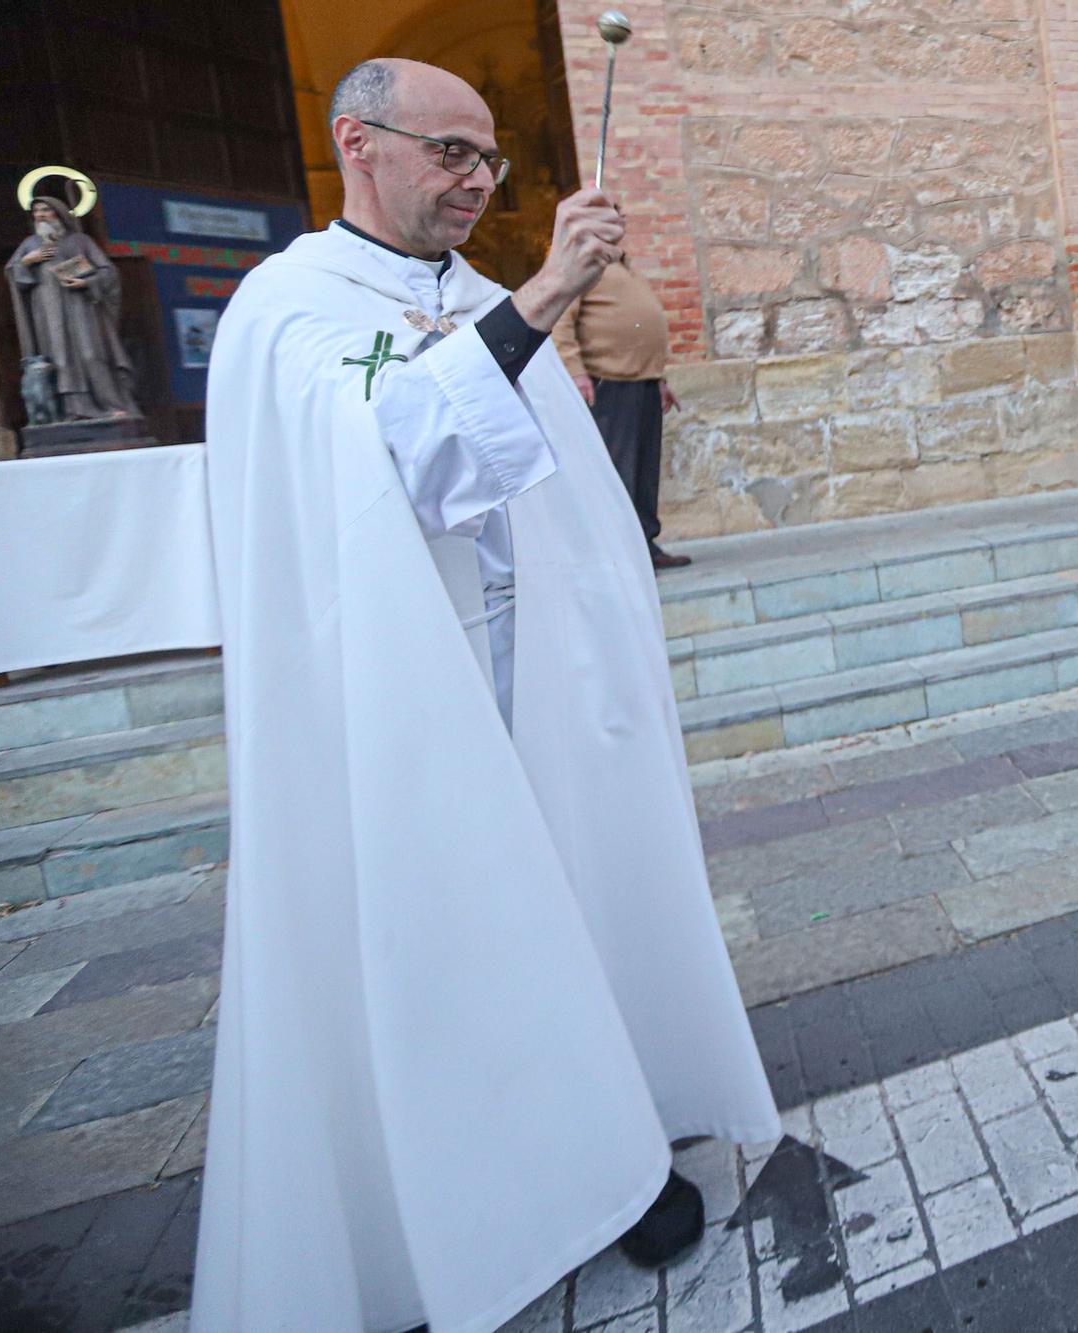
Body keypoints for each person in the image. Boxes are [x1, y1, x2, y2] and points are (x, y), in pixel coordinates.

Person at [198, 58, 779, 1332]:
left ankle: (610, 1159)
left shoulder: (470, 294)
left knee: (566, 912)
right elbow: (401, 461)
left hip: (541, 684)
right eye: (450, 155)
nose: (475, 183)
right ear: (360, 142)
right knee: (442, 938)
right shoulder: (288, 307)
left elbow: (564, 496)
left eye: (488, 162)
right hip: (410, 695)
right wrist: (547, 291)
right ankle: (428, 1216)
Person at [552, 249, 690, 569]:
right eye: (610, 216)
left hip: (642, 382)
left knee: (644, 471)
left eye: (619, 216)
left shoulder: (624, 268)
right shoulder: (582, 263)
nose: (618, 223)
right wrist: (575, 371)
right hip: (608, 383)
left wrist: (658, 378)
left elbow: (640, 325)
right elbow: (561, 320)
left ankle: (645, 545)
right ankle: (621, 555)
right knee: (618, 471)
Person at [6, 195, 139, 419]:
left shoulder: (80, 241)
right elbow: (13, 273)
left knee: (91, 354)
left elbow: (108, 272)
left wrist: (86, 282)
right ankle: (73, 410)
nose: (40, 215)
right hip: (47, 311)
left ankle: (110, 405)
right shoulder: (30, 244)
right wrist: (28, 261)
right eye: (36, 211)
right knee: (59, 359)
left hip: (82, 308)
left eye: (45, 210)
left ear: (58, 214)